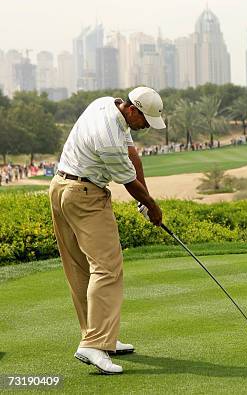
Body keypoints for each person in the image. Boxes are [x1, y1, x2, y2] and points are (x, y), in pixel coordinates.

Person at [48, 86, 165, 375]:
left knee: (81, 268)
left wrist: (145, 200)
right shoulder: (109, 137)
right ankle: (94, 343)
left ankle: (100, 337)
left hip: (61, 188)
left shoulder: (106, 104)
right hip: (86, 196)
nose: (146, 128)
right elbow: (128, 181)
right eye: (145, 121)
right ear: (133, 110)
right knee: (108, 269)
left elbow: (132, 155)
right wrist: (152, 206)